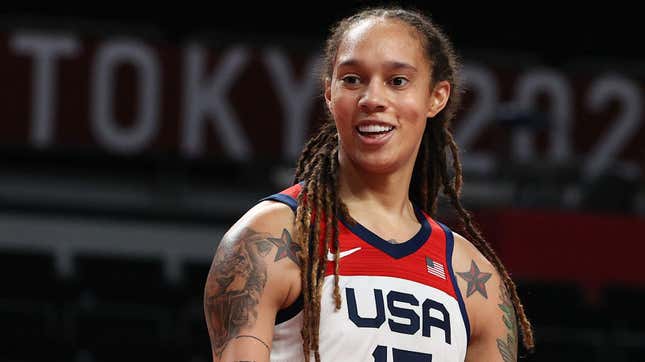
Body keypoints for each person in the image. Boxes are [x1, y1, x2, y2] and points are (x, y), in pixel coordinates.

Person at [204, 7, 534, 362]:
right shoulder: (269, 237)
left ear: (436, 97)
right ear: (328, 92)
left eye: (397, 81)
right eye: (352, 79)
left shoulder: (473, 277)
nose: (372, 99)